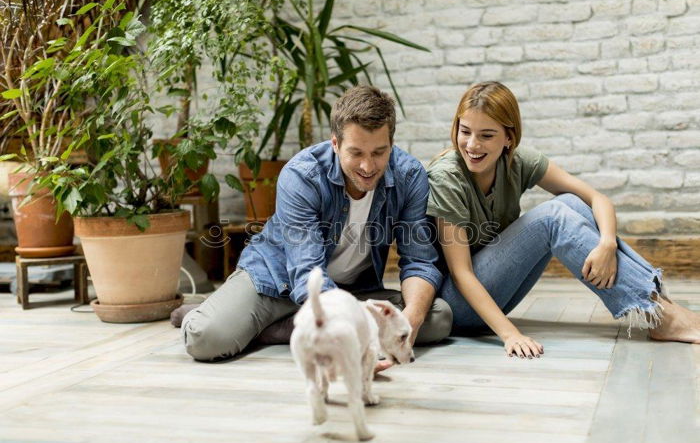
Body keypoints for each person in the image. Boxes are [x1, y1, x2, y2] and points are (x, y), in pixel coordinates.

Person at [180, 85, 452, 369]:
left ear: (392, 143)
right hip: (277, 283)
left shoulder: (409, 175)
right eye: (356, 152)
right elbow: (307, 271)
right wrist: (357, 342)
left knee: (438, 317)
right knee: (206, 338)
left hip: (351, 293)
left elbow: (419, 261)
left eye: (379, 152)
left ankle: (277, 328)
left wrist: (410, 322)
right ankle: (232, 315)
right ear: (335, 143)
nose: (368, 166)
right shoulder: (302, 175)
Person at [426, 81, 700, 359]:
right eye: (465, 131)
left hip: (492, 296)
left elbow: (596, 199)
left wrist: (606, 244)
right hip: (455, 306)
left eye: (486, 135)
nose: (472, 144)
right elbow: (461, 274)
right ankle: (661, 316)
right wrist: (510, 334)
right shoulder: (447, 177)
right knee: (552, 218)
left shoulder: (516, 161)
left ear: (509, 138)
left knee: (569, 202)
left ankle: (658, 305)